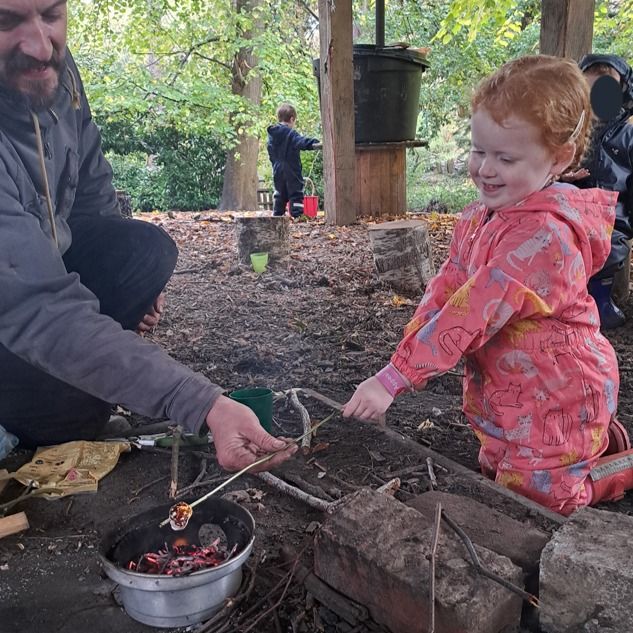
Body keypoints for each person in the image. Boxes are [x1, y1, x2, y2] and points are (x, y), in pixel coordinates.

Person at [0, 0, 296, 472]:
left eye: (52, 14)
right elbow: (35, 306)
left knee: (146, 250)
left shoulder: (56, 72)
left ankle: (81, 385)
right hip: (15, 306)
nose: (40, 46)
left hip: (38, 283)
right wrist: (198, 402)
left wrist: (135, 287)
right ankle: (45, 414)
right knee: (71, 418)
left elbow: (93, 196)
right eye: (6, 20)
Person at [343, 55, 633, 517]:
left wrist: (395, 379)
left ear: (557, 158)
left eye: (506, 157)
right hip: (507, 390)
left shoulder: (545, 236)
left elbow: (473, 309)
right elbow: (448, 287)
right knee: (497, 468)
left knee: (546, 500)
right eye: (479, 151)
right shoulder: (479, 217)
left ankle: (612, 468)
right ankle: (578, 452)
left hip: (558, 394)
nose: (485, 169)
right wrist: (402, 361)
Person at [562, 54, 633, 329]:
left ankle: (602, 300)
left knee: (611, 247)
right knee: (565, 248)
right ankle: (570, 301)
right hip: (572, 213)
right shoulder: (571, 132)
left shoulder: (627, 137)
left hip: (613, 217)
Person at [267, 103, 319, 219]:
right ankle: (297, 216)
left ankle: (277, 217)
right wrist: (315, 143)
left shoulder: (271, 136)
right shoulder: (290, 133)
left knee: (280, 193)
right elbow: (301, 142)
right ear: (291, 119)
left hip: (277, 169)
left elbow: (270, 153)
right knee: (295, 193)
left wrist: (275, 164)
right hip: (291, 169)